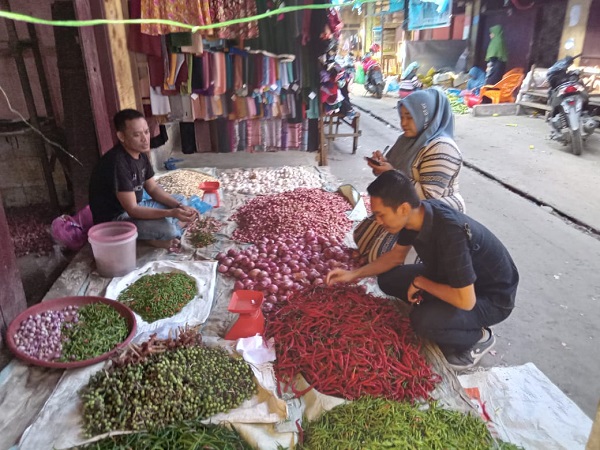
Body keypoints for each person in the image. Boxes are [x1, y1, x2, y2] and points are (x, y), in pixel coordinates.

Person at [327, 170, 519, 371]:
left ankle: (479, 337)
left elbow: (466, 300)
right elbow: (395, 257)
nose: (378, 221)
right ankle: (441, 308)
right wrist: (353, 275)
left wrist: (422, 283)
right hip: (456, 279)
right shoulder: (418, 216)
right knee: (388, 280)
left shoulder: (450, 233)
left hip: (491, 298)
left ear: (402, 208)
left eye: (380, 215)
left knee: (423, 322)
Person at [89, 109, 196, 250]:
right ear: (121, 136)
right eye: (137, 135)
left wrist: (178, 207)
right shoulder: (117, 163)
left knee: (181, 201)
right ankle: (148, 239)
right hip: (115, 220)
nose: (145, 139)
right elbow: (132, 209)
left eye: (146, 132)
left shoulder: (141, 155)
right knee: (168, 230)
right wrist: (171, 213)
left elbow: (153, 188)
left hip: (137, 206)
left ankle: (161, 228)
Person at [366, 89, 465, 212]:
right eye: (401, 117)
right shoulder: (405, 140)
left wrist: (391, 173)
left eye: (409, 117)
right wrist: (382, 164)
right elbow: (395, 167)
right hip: (404, 210)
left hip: (436, 218)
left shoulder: (442, 149)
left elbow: (427, 197)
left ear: (426, 117)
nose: (403, 123)